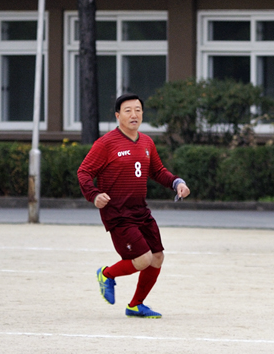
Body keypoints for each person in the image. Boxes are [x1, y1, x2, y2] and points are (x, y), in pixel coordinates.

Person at [78, 94, 190, 319]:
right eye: (128, 110)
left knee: (157, 257)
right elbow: (84, 172)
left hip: (141, 210)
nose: (134, 115)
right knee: (142, 259)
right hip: (117, 213)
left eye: (138, 110)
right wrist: (94, 195)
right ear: (117, 115)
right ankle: (106, 274)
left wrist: (177, 183)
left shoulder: (147, 142)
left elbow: (158, 171)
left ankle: (136, 305)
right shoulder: (106, 143)